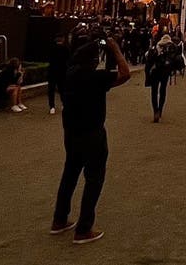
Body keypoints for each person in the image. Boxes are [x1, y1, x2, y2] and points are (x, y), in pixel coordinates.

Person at [51, 31, 130, 243]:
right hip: (92, 132)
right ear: (94, 59)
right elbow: (124, 74)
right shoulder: (95, 77)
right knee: (94, 178)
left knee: (70, 173)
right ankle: (84, 228)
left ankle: (59, 219)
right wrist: (114, 48)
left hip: (71, 132)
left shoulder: (70, 73)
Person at [144, 34, 176, 122]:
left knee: (154, 92)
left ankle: (155, 110)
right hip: (165, 72)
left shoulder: (156, 47)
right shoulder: (171, 47)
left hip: (155, 72)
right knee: (163, 90)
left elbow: (147, 58)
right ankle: (160, 110)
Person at [47, 34, 70, 115]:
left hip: (52, 71)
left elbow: (48, 59)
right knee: (62, 89)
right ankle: (64, 104)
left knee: (51, 90)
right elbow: (69, 60)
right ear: (63, 39)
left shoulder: (51, 48)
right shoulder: (65, 49)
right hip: (62, 71)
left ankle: (52, 107)